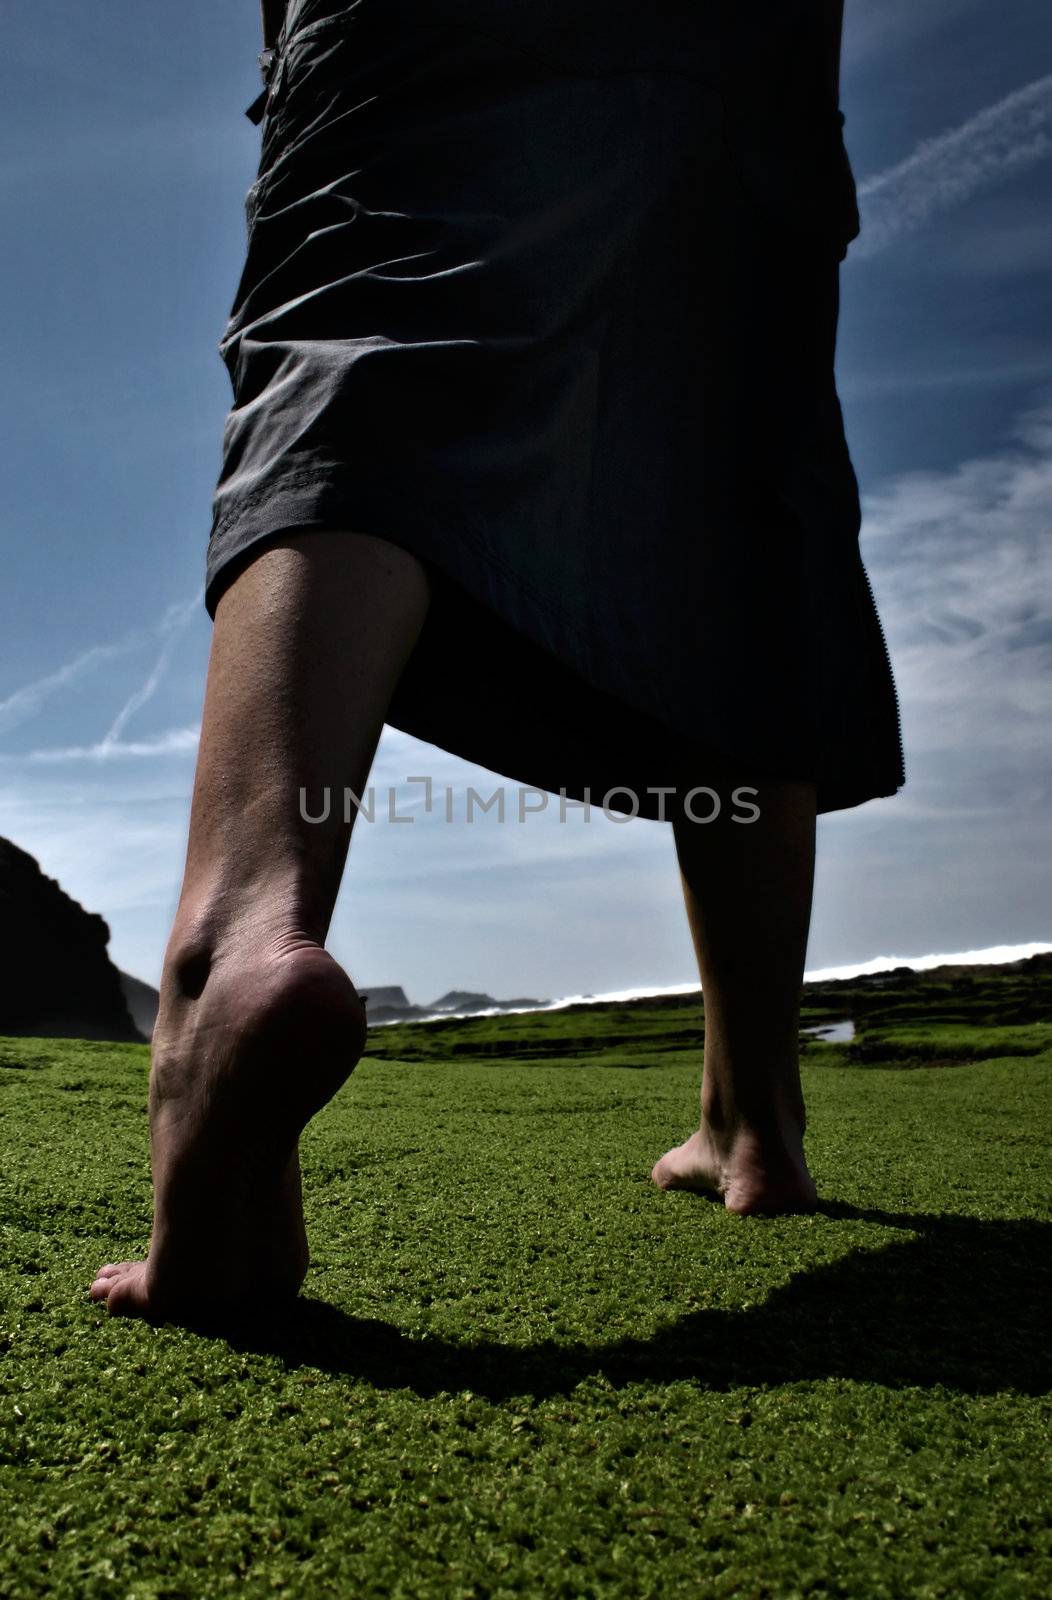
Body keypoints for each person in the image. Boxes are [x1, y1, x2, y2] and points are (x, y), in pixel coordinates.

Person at [90, 0, 904, 1320]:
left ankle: (237, 950)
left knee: (368, 344)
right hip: (743, 58)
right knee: (736, 491)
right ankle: (757, 1122)